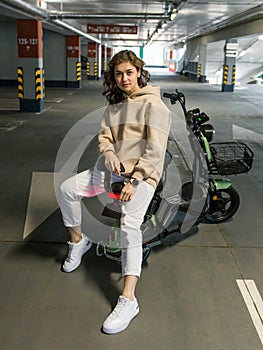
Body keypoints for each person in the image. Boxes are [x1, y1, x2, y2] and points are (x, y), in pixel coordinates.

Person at [59, 50, 171, 334]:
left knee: (129, 224)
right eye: (118, 74)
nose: (124, 79)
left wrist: (135, 181)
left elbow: (156, 150)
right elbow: (105, 135)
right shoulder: (115, 105)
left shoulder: (154, 105)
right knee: (67, 189)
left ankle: (128, 299)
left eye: (129, 73)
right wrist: (108, 151)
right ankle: (78, 241)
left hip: (142, 176)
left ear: (139, 72)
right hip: (111, 172)